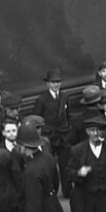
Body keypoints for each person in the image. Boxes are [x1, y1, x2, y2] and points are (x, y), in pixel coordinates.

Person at [32, 68, 71, 197]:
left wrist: (67, 130)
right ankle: (51, 191)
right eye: (53, 82)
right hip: (48, 137)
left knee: (66, 165)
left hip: (63, 136)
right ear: (47, 83)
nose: (56, 84)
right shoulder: (42, 99)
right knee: (49, 166)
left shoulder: (65, 96)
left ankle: (68, 191)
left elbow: (69, 115)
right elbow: (36, 119)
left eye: (58, 82)